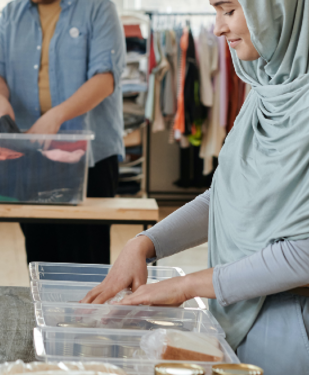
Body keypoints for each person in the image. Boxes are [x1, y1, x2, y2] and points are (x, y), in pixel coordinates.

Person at [82, 0, 309, 371]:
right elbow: (225, 197)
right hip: (239, 311)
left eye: (230, 11)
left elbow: (304, 253)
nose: (218, 29)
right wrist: (145, 244)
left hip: (292, 326)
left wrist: (187, 285)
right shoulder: (266, 91)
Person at [0, 0, 125, 264]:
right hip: (32, 155)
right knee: (40, 254)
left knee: (87, 256)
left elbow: (106, 78)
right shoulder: (13, 12)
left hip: (90, 158)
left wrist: (56, 116)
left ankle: (87, 308)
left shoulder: (98, 7)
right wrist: (0, 102)